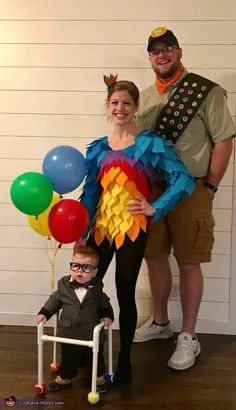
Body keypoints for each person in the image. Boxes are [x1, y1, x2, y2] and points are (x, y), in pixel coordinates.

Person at [73, 74, 196, 384]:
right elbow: (91, 193)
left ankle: (124, 360)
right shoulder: (99, 148)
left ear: (136, 107)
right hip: (101, 228)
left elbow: (183, 179)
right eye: (115, 102)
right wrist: (82, 228)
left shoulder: (149, 143)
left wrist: (155, 207)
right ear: (107, 106)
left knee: (125, 291)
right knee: (89, 291)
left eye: (126, 102)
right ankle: (95, 358)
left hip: (132, 227)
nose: (120, 108)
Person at [133, 26, 236, 371]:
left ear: (179, 52)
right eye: (154, 51)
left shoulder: (205, 91)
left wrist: (211, 186)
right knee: (154, 256)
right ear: (150, 58)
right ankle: (161, 323)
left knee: (190, 260)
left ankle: (189, 335)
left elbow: (224, 139)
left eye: (167, 49)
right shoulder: (143, 97)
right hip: (153, 189)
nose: (161, 55)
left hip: (192, 187)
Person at [37, 246, 114, 393]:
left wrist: (107, 315)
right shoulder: (64, 286)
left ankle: (98, 377)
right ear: (71, 266)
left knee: (95, 357)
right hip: (68, 331)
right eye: (76, 266)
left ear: (94, 271)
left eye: (86, 268)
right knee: (68, 357)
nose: (79, 271)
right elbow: (54, 300)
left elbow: (104, 302)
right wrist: (45, 313)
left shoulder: (97, 289)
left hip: (91, 331)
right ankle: (65, 377)